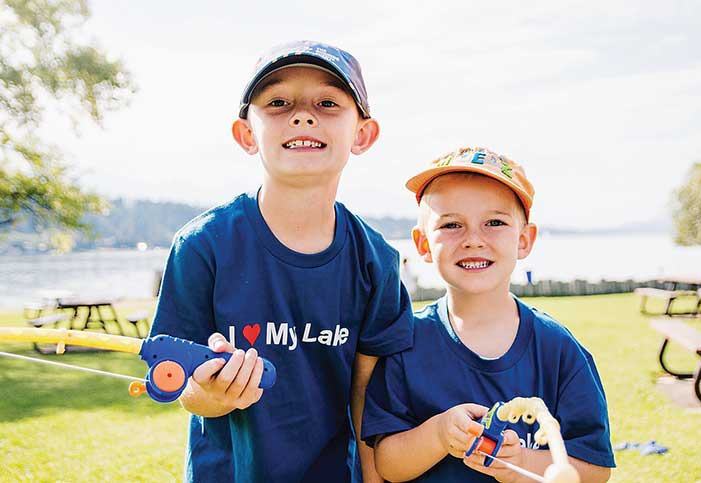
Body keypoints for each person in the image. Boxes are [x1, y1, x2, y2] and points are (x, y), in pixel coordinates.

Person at [150, 41, 414, 483]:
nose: (303, 115)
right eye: (278, 102)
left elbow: (368, 398)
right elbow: (185, 389)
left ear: (363, 134)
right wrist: (216, 394)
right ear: (247, 135)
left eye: (328, 102)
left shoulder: (377, 261)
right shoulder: (202, 245)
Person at [362, 147, 615, 482]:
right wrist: (438, 435)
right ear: (423, 244)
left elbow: (595, 469)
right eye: (452, 225)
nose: (474, 240)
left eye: (494, 222)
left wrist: (522, 461)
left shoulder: (559, 350)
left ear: (524, 240)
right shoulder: (405, 345)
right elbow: (387, 464)